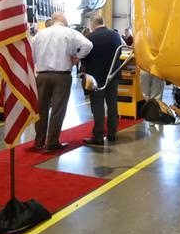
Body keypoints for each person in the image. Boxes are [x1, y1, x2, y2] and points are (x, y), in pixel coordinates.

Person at [32, 11, 93, 151]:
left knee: (40, 110)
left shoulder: (39, 34)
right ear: (63, 21)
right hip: (62, 75)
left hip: (41, 75)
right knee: (58, 110)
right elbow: (88, 45)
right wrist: (77, 57)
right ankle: (52, 142)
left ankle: (38, 142)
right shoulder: (69, 32)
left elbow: (31, 55)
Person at [82, 15, 123, 146]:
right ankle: (112, 133)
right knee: (112, 105)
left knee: (98, 107)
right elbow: (120, 52)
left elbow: (84, 58)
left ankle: (98, 136)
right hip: (113, 75)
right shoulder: (116, 35)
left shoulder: (89, 38)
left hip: (96, 78)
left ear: (92, 24)